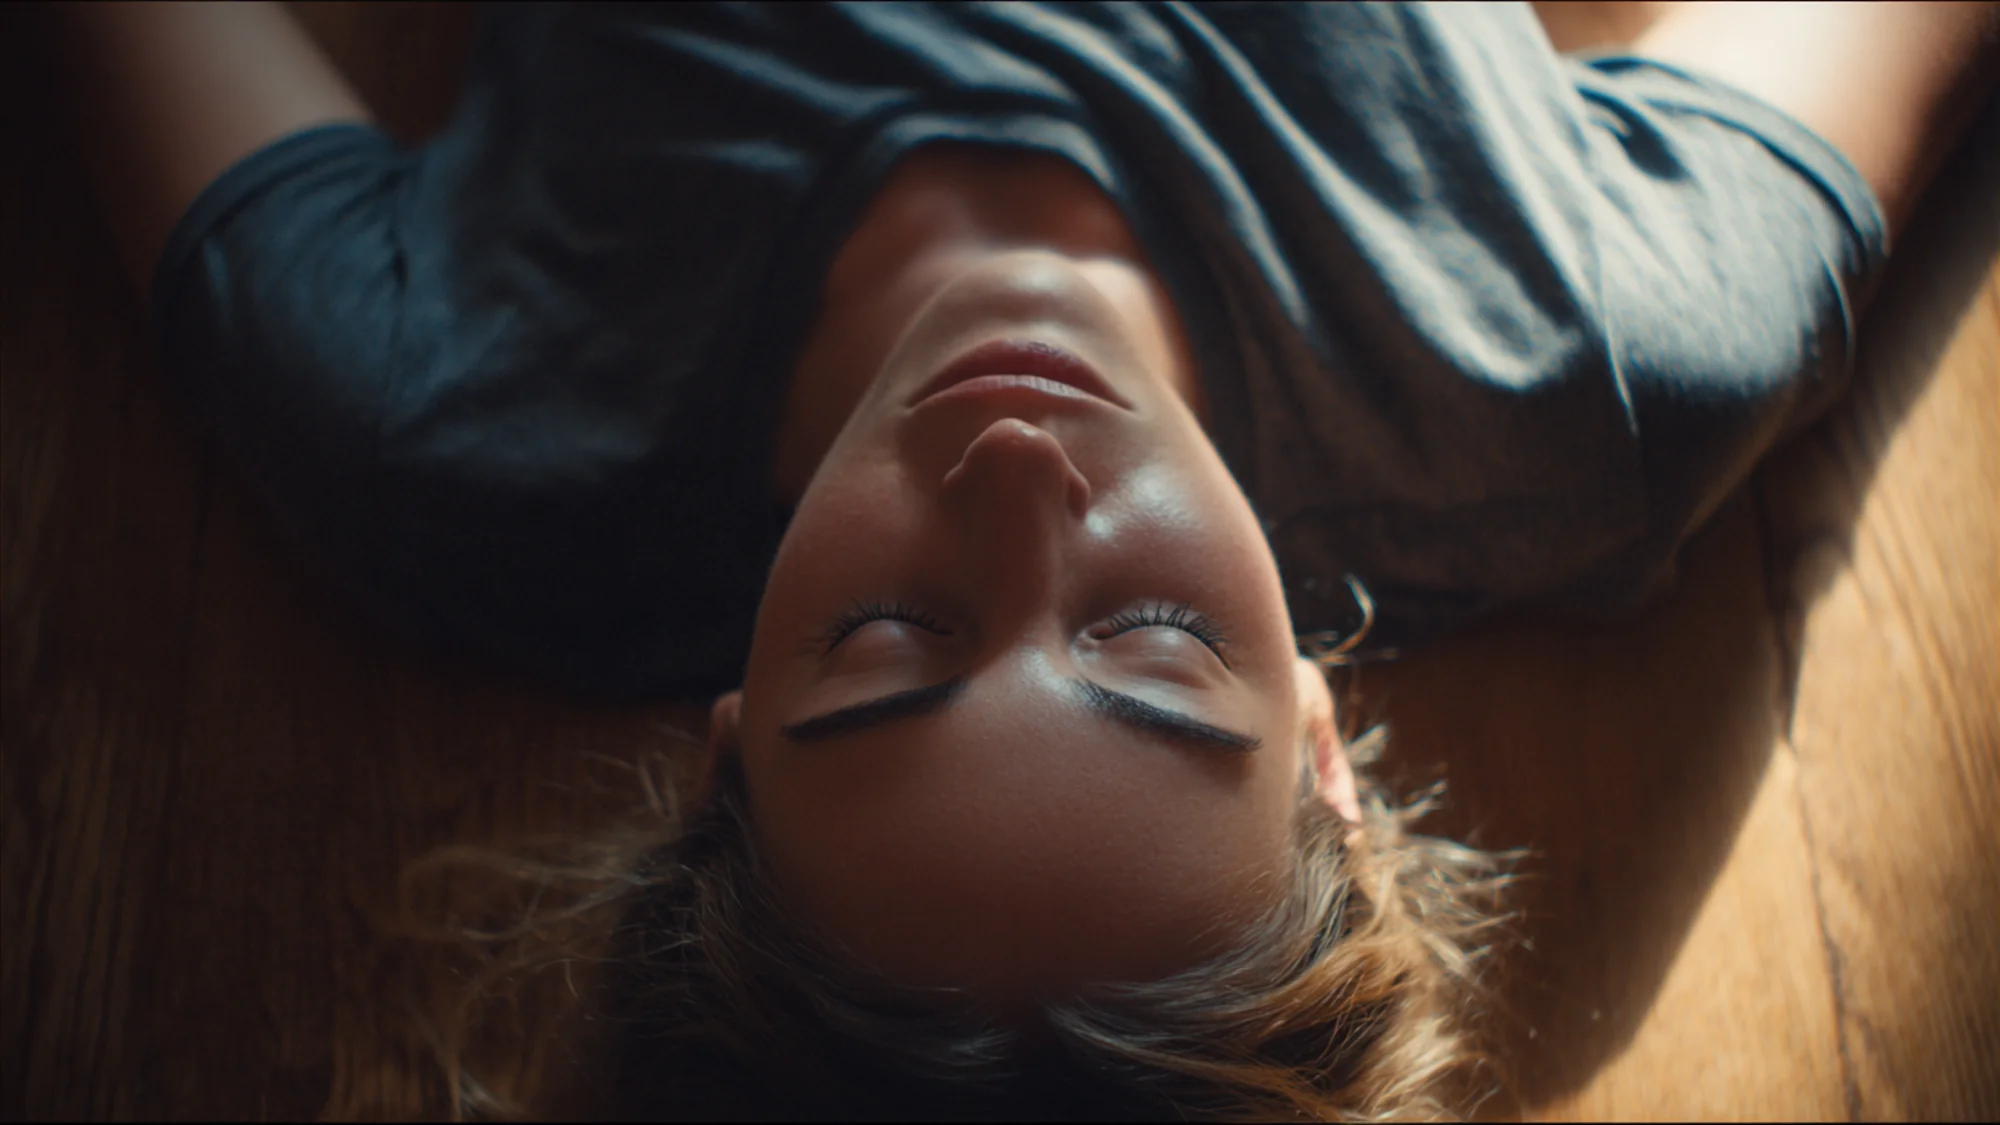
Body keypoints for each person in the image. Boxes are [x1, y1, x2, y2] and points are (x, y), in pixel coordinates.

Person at [46, 1, 1997, 1118]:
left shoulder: (441, 420)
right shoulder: (1583, 363)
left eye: (896, 634)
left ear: (723, 751)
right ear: (1325, 752)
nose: (1010, 474)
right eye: (1148, 636)